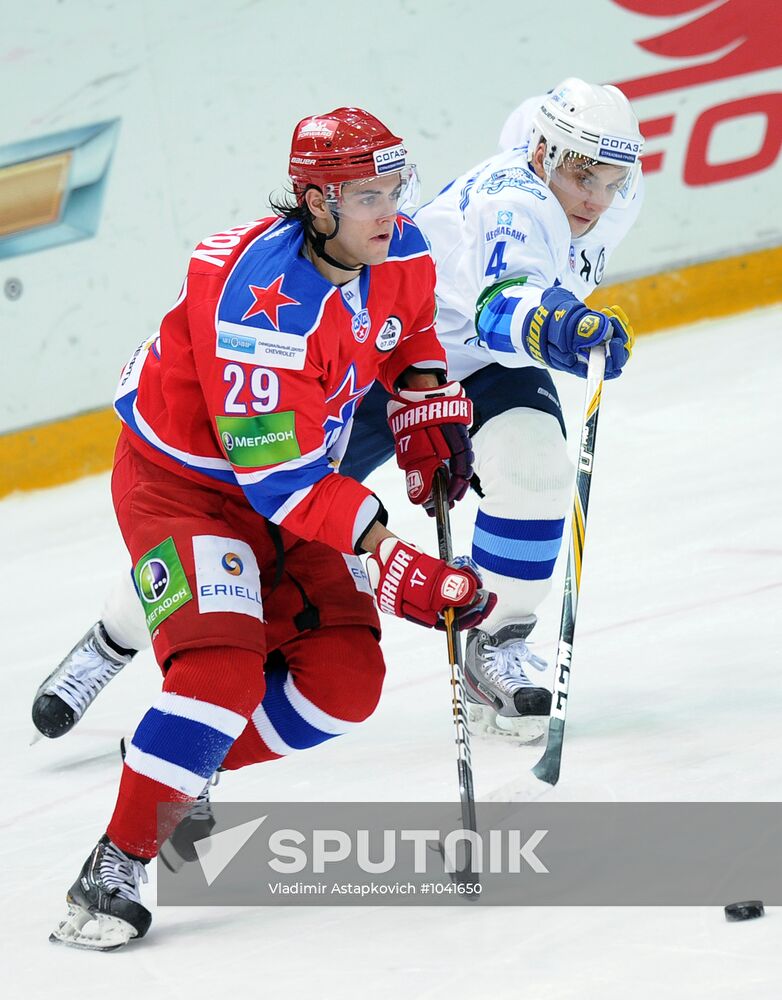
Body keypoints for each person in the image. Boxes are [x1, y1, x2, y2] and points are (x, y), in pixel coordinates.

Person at [34, 77, 643, 746]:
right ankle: (113, 638)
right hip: (379, 361)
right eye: (583, 175)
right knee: (253, 523)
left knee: (536, 473)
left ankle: (494, 645)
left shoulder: (601, 182)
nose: (597, 197)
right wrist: (557, 325)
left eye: (612, 180)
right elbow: (504, 301)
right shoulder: (514, 205)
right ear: (543, 155)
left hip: (450, 358)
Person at [48, 106, 494, 951]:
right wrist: (390, 561)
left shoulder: (394, 248)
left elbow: (407, 332)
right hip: (189, 489)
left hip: (296, 483)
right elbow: (277, 479)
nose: (390, 210)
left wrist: (424, 404)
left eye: (395, 187)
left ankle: (173, 768)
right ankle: (117, 860)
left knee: (345, 682)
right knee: (219, 674)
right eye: (367, 194)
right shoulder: (255, 303)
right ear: (316, 201)